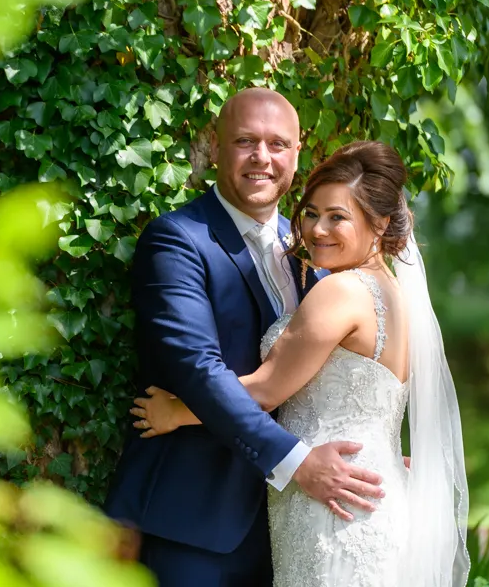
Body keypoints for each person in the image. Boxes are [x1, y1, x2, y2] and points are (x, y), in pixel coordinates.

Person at [133, 140, 470, 586]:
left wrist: (176, 412)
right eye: (311, 213)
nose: (316, 230)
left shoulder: (341, 290)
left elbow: (266, 387)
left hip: (331, 503)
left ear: (380, 224)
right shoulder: (398, 297)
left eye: (338, 217)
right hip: (373, 492)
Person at [102, 88, 386, 587]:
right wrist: (295, 463)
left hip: (295, 525)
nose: (262, 157)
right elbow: (195, 370)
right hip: (193, 521)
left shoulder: (313, 250)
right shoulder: (177, 239)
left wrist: (375, 448)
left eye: (278, 144)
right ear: (214, 148)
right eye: (244, 141)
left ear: (298, 152)